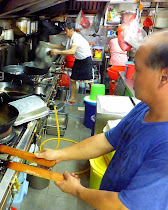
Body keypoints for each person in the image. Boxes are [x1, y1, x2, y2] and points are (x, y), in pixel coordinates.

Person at [35, 30, 168, 209]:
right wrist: (59, 154)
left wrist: (77, 190)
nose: (133, 76)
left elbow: (125, 206)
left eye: (137, 69)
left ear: (164, 76)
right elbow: (107, 140)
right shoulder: (144, 108)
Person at [49, 22, 93, 104]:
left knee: (89, 80)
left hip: (86, 60)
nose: (65, 32)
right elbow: (62, 45)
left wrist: (58, 52)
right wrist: (50, 45)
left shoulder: (76, 38)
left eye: (66, 31)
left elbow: (72, 51)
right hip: (78, 60)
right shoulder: (69, 37)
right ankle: (72, 98)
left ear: (72, 30)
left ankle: (94, 98)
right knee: (73, 79)